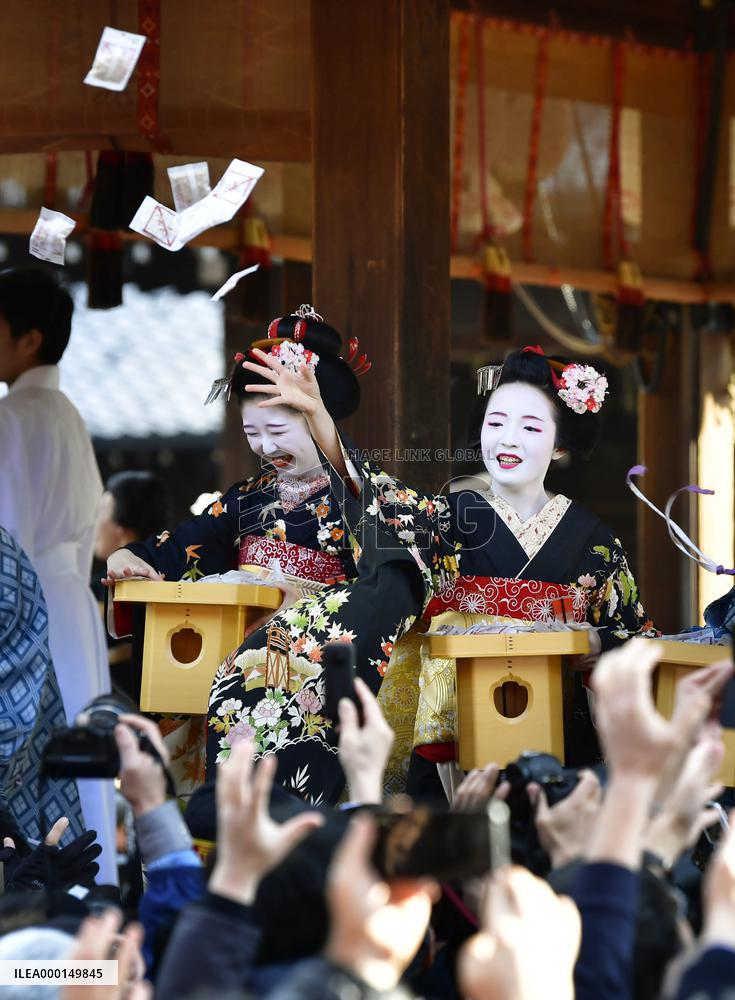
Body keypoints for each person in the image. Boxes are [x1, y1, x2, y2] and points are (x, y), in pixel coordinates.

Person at [105, 306, 426, 802]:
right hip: (234, 654)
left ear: (323, 420)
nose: (264, 447)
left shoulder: (361, 491)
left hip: (308, 664)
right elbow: (186, 542)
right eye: (253, 433)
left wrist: (299, 601)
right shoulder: (246, 496)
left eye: (278, 431)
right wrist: (134, 560)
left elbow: (394, 565)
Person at [0, 266, 117, 883]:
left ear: (29, 340)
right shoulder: (67, 411)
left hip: (25, 609)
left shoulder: (13, 415)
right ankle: (90, 893)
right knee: (82, 744)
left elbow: (5, 537)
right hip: (72, 602)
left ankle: (36, 892)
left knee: (33, 750)